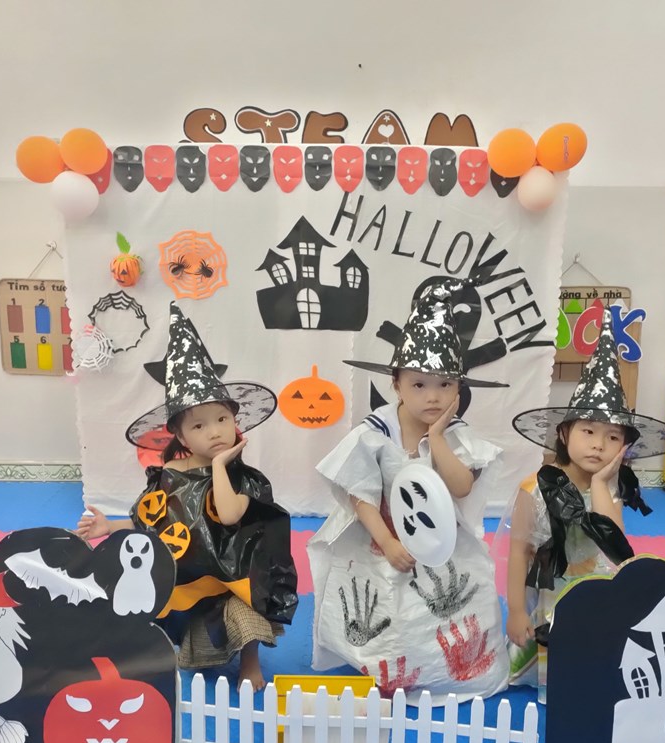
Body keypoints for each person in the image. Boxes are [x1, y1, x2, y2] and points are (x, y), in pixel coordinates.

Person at [308, 278, 510, 702]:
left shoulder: (455, 433)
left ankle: (443, 671)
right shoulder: (376, 432)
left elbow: (461, 487)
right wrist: (386, 541)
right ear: (396, 385)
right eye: (419, 385)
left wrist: (436, 439)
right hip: (383, 539)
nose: (433, 397)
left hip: (443, 544)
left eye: (445, 385)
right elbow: (361, 494)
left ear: (459, 389)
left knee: (449, 606)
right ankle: (388, 669)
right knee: (386, 611)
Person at [78, 304, 297, 691]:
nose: (214, 432)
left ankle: (250, 662)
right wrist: (109, 526)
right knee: (153, 604)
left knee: (245, 607)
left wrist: (220, 467)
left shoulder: (246, 479)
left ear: (235, 420)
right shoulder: (170, 475)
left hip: (232, 577)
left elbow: (228, 515)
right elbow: (153, 523)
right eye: (199, 425)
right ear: (180, 436)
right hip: (188, 575)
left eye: (222, 419)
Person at [503, 310, 665, 702]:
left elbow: (614, 546)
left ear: (625, 447)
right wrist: (515, 610)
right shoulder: (534, 488)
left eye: (613, 437)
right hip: (551, 592)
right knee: (553, 655)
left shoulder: (610, 488)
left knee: (592, 659)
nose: (599, 445)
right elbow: (518, 552)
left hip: (598, 588)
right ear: (564, 433)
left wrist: (602, 482)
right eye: (588, 431)